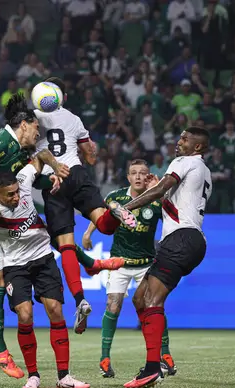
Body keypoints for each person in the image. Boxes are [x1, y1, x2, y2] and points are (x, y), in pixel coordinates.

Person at [0, 159, 90, 388]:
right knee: (25, 315)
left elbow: (38, 158)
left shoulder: (23, 182)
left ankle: (64, 376)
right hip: (15, 267)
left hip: (44, 258)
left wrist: (54, 167)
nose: (17, 198)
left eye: (17, 193)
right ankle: (33, 375)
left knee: (55, 310)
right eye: (10, 195)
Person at [0, 93, 68, 379]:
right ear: (24, 125)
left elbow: (25, 178)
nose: (38, 135)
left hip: (7, 217)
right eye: (36, 130)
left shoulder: (20, 151)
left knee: (1, 280)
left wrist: (49, 180)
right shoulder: (0, 142)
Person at [34, 76, 139, 335]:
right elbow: (91, 156)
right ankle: (113, 210)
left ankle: (80, 299)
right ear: (63, 98)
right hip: (77, 173)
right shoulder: (74, 119)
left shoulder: (33, 117)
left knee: (65, 245)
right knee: (104, 224)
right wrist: (92, 148)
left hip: (53, 180)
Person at [112, 126, 212, 388]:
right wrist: (162, 190)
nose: (178, 142)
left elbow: (158, 193)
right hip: (187, 240)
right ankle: (154, 362)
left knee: (152, 299)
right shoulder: (204, 171)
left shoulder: (185, 161)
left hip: (182, 238)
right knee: (139, 298)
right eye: (179, 137)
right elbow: (174, 201)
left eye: (185, 139)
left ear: (197, 147)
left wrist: (125, 208)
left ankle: (153, 368)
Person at [79, 160, 176, 378]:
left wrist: (159, 192)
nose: (139, 177)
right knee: (113, 305)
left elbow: (173, 218)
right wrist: (87, 234)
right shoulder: (116, 198)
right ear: (128, 177)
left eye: (143, 173)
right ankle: (105, 359)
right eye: (134, 173)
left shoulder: (155, 199)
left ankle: (166, 355)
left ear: (149, 176)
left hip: (147, 263)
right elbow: (101, 216)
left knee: (154, 306)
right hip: (120, 262)